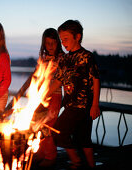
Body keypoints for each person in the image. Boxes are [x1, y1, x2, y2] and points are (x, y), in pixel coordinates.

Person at [5, 28, 64, 168]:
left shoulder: (62, 59)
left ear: (58, 43)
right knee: (37, 124)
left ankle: (50, 156)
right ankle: (41, 153)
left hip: (53, 97)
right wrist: (20, 93)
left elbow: (60, 81)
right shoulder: (43, 59)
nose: (50, 46)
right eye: (47, 43)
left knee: (47, 126)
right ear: (43, 44)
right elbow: (33, 77)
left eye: (53, 43)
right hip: (39, 98)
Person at [46, 20, 100, 169]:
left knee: (58, 132)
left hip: (84, 105)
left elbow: (96, 80)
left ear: (77, 36)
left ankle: (76, 162)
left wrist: (95, 105)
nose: (63, 43)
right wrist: (44, 95)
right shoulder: (65, 59)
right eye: (61, 40)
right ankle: (90, 166)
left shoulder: (86, 57)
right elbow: (58, 81)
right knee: (84, 140)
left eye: (66, 39)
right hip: (70, 104)